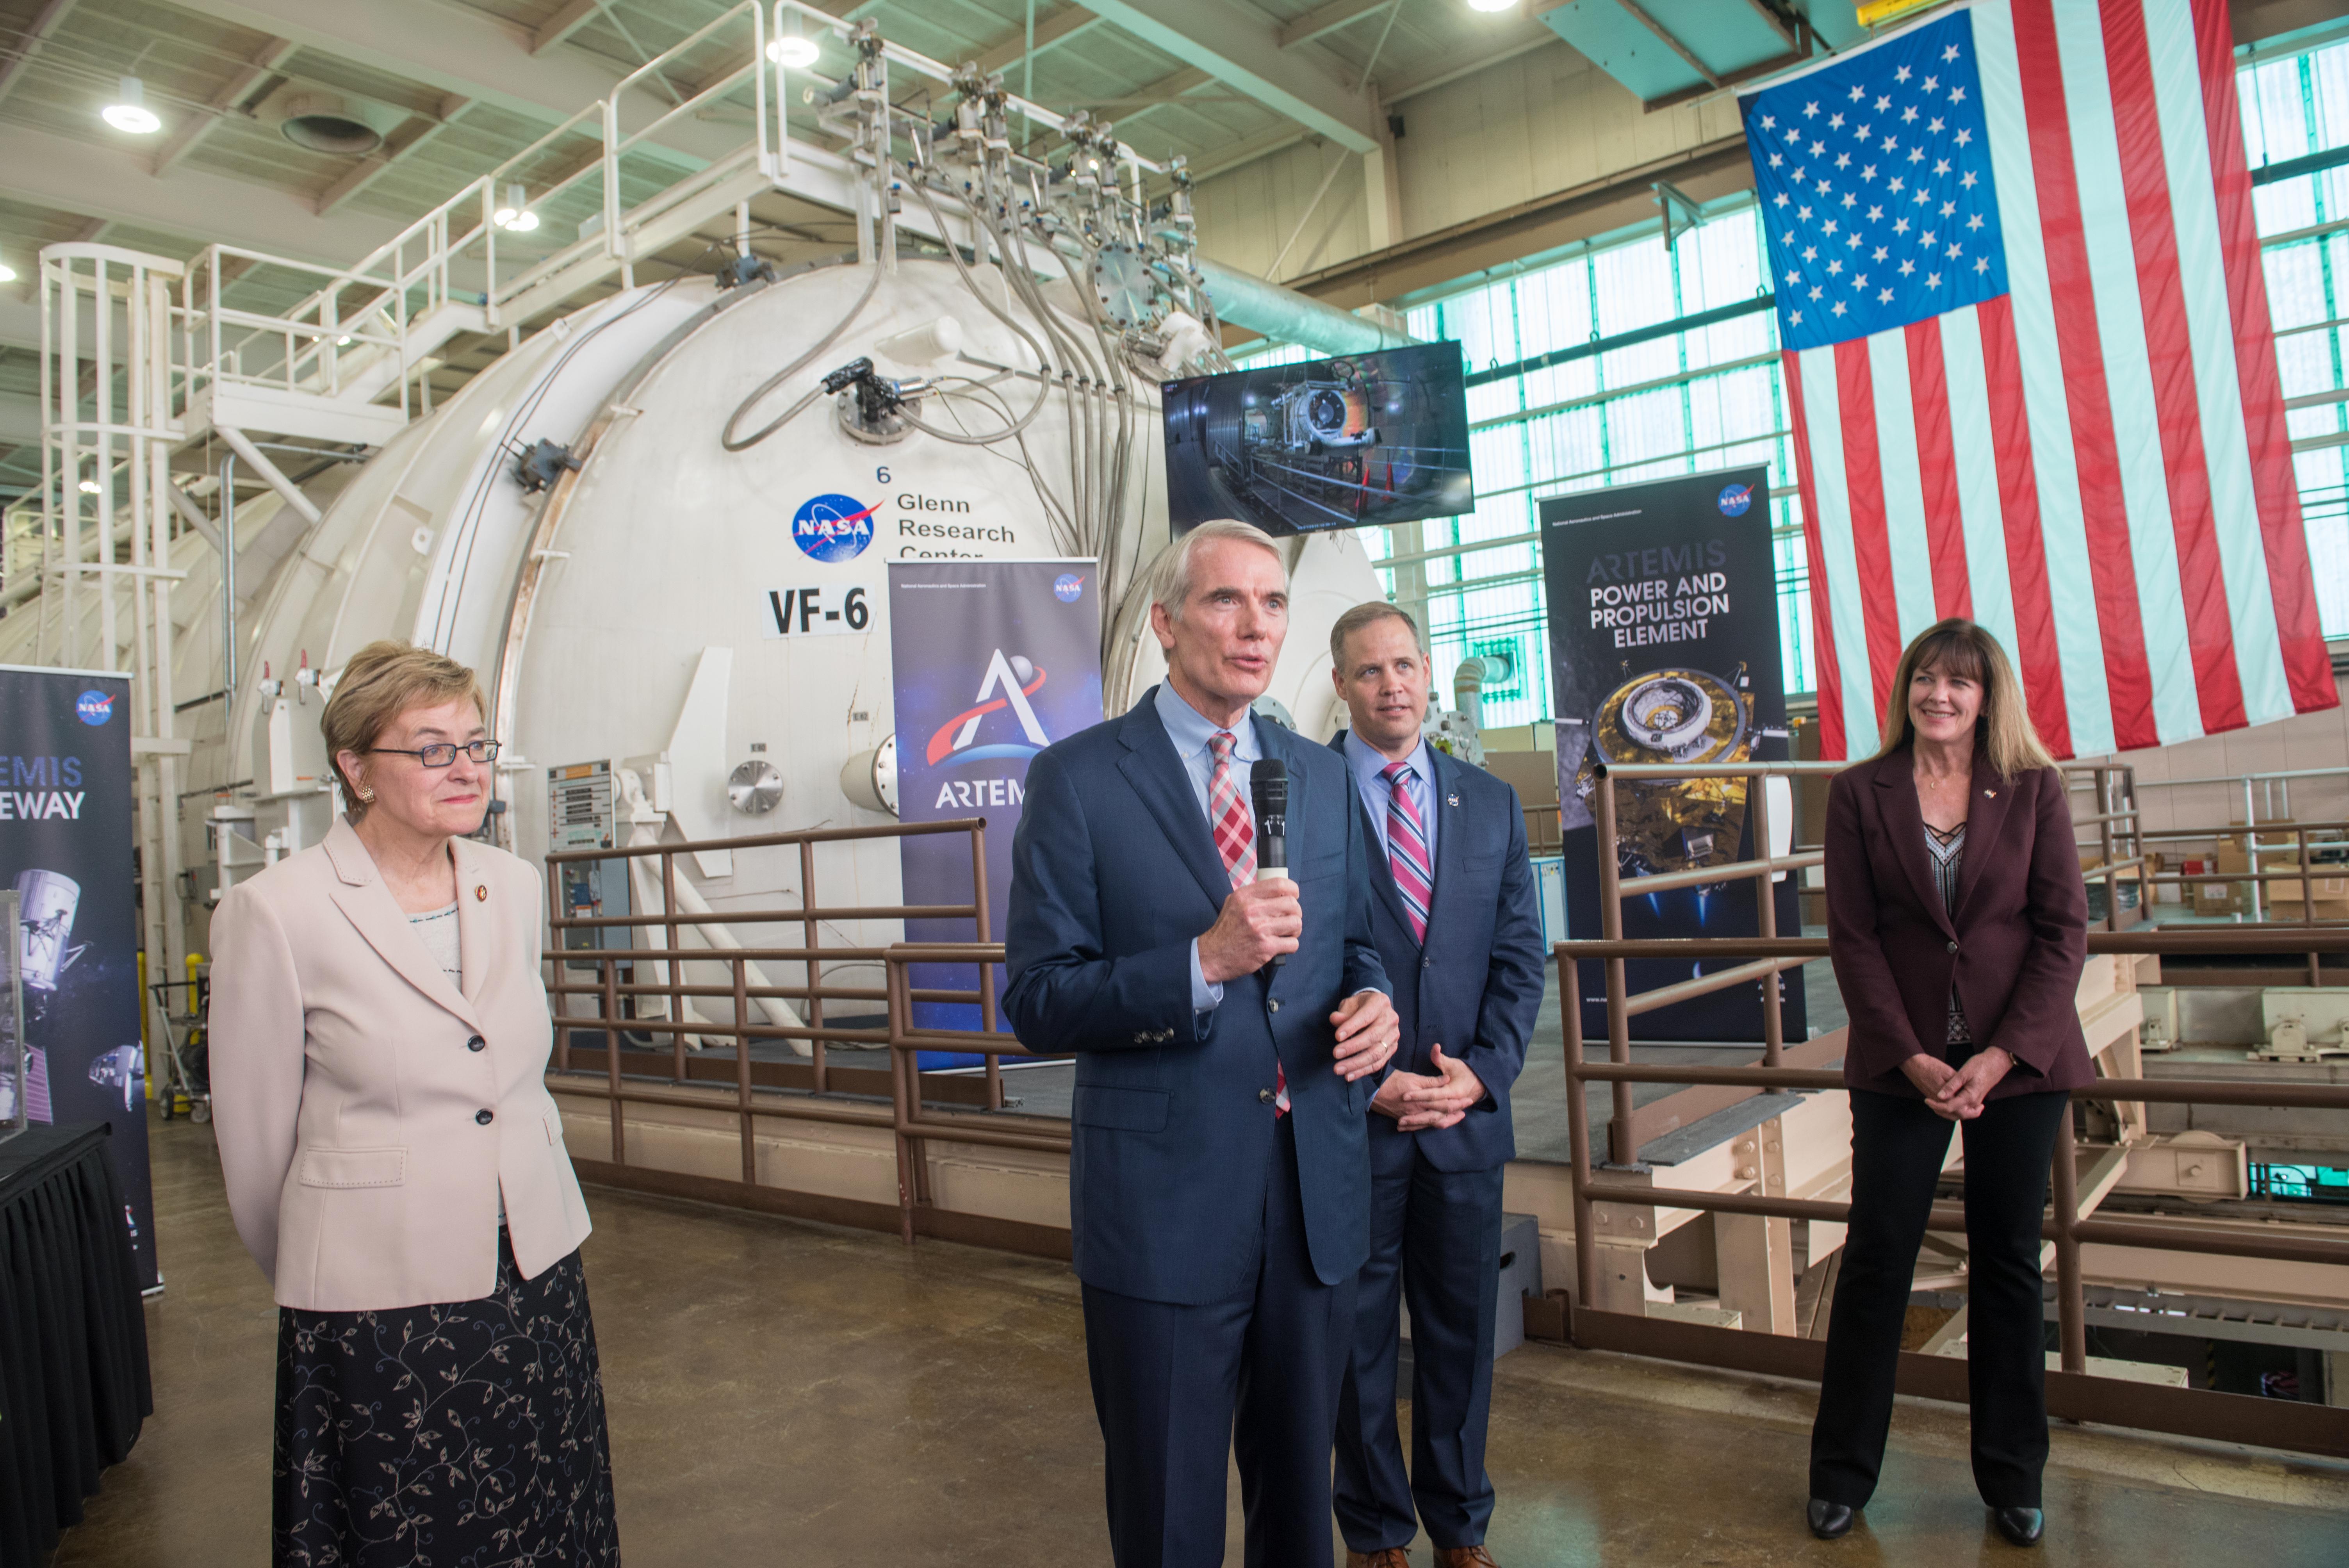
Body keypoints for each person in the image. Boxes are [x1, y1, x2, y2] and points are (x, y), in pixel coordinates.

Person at [1003, 518, 1401, 1568]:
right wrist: (1202, 963)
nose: (1255, 625)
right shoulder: (1080, 780)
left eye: (1273, 603)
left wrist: (1375, 1006)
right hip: (1165, 1209)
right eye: (1228, 600)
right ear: (1167, 621)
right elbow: (1040, 999)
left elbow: (1358, 944)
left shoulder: (1317, 777)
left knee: (1298, 1515)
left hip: (1314, 1199)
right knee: (1171, 1515)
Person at [209, 641, 617, 1566]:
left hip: (535, 1272)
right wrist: (335, 1254)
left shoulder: (510, 885)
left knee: (544, 1510)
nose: (466, 767)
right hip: (378, 1300)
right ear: (354, 767)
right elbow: (254, 1139)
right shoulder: (276, 911)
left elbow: (509, 1070)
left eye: (475, 743)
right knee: (413, 1528)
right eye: (431, 747)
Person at [1807, 617, 2089, 1550]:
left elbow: (2061, 931)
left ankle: (2013, 1479)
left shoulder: (2036, 791)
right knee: (1877, 1259)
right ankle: (1841, 1475)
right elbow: (1851, 936)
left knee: (2006, 1264)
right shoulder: (1857, 792)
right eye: (1925, 679)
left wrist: (2001, 1054)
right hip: (1903, 1069)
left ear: (1985, 696)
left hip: (2017, 1064)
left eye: (1958, 683)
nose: (1939, 695)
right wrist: (1909, 1054)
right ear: (1906, 691)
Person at [1326, 604, 1544, 1568]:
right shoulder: (1299, 792)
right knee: (1357, 1338)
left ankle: (1460, 1525)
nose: (1393, 686)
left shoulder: (1487, 802)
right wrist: (1364, 1079)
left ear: (1426, 670)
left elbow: (1518, 958)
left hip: (1460, 1120)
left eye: (1405, 665)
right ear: (1340, 684)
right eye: (1369, 671)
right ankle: (1374, 1531)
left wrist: (1480, 1078)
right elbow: (1282, 964)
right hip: (1349, 1120)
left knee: (1459, 1336)